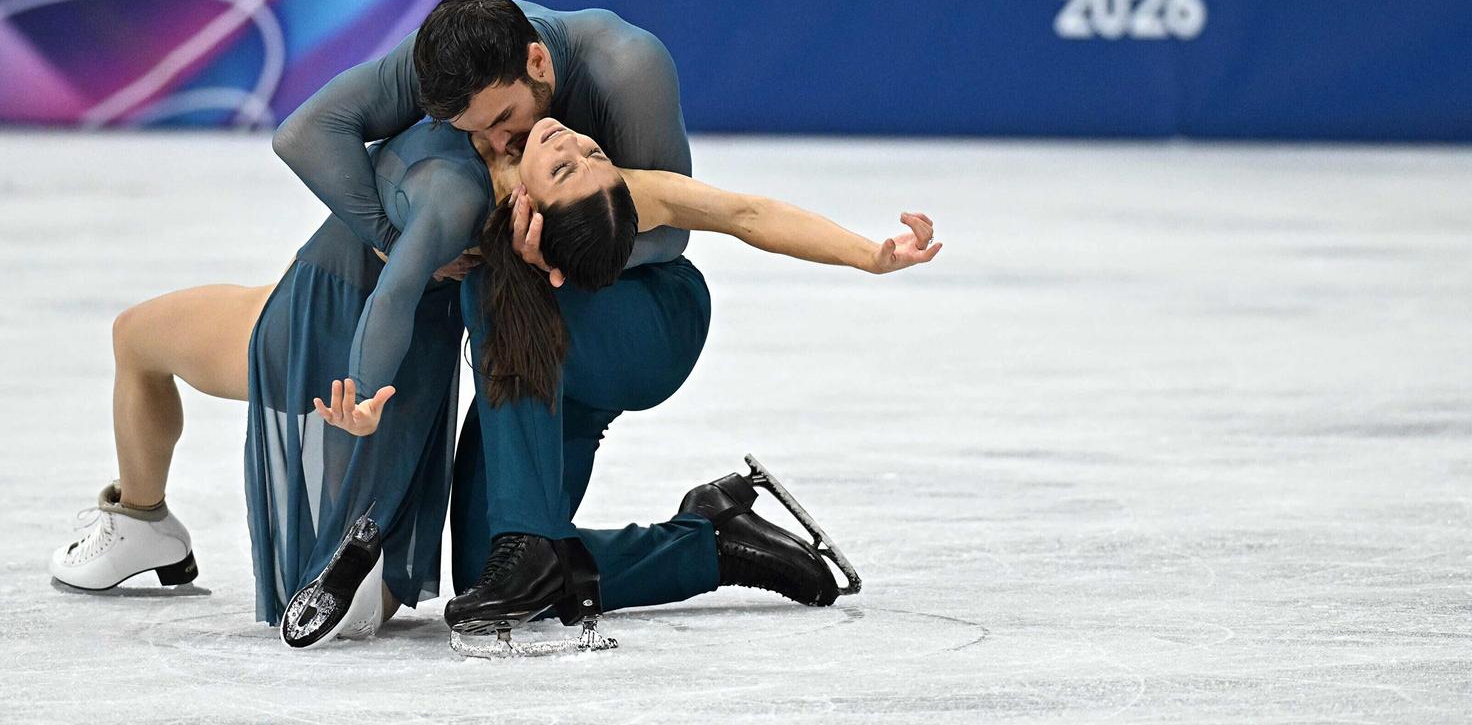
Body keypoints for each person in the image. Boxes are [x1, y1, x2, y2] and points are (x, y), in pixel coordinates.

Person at [49, 109, 941, 646]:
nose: (574, 140)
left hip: (647, 328)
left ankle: (529, 538)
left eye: (574, 158)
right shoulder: (475, 165)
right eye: (573, 150)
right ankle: (713, 542)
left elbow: (747, 212)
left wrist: (873, 254)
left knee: (493, 279)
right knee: (491, 572)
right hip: (553, 369)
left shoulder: (611, 194)